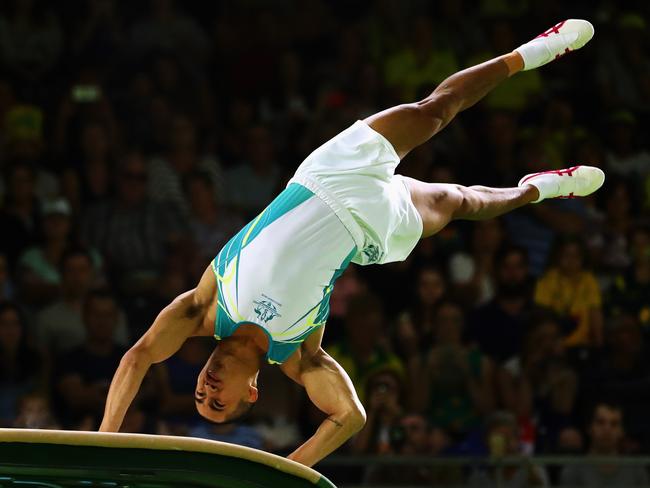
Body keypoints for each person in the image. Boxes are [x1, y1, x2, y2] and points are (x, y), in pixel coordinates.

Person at [100, 20, 604, 467]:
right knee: (466, 202)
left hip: (328, 176)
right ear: (251, 394)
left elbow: (138, 358)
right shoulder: (298, 353)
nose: (206, 390)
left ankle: (535, 51)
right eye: (216, 403)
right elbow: (351, 417)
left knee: (435, 110)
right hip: (372, 226)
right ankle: (543, 186)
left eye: (199, 394)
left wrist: (100, 443)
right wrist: (288, 470)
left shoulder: (203, 308)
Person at [560, 403, 650, 487]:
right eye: (600, 422)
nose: (607, 429)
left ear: (622, 431)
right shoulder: (573, 470)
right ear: (589, 427)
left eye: (614, 424)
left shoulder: (636, 470)